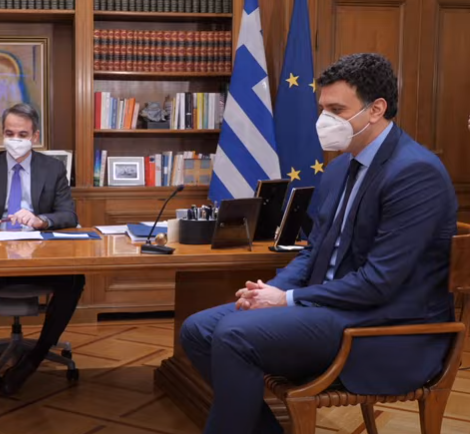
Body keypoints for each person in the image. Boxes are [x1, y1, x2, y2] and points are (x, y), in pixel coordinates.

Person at [180, 53, 457, 434]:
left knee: (234, 334)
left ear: (376, 109)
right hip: (329, 308)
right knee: (197, 329)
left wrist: (287, 299)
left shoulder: (415, 172)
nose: (324, 120)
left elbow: (379, 282)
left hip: (387, 326)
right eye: (323, 108)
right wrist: (269, 291)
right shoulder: (340, 166)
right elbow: (313, 250)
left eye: (336, 110)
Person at [0, 103, 85, 403]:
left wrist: (41, 219)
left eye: (22, 134)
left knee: (75, 278)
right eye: (9, 133)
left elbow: (69, 214)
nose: (15, 139)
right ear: (2, 134)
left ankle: (32, 360)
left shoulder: (53, 168)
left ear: (35, 136)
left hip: (40, 257)